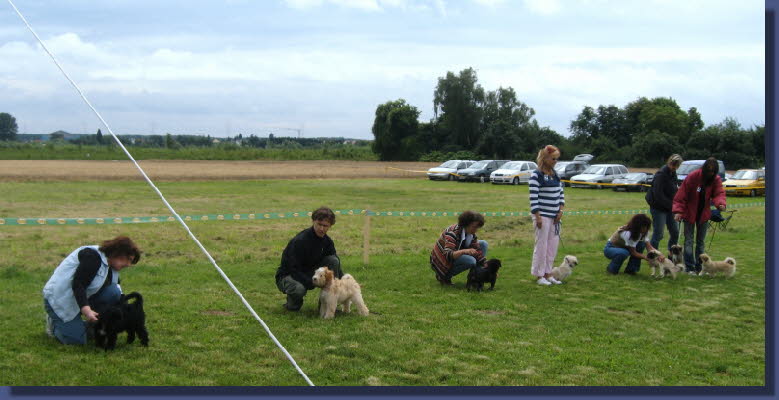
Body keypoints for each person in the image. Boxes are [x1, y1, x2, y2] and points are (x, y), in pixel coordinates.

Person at [42, 236, 141, 345]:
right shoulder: (92, 257)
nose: (128, 265)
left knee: (114, 293)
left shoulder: (111, 265)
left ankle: (89, 326)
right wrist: (87, 310)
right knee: (76, 341)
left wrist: (128, 312)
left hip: (80, 298)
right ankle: (55, 324)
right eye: (129, 260)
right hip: (60, 300)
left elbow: (117, 290)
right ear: (118, 253)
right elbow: (78, 284)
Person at [275, 206, 342, 311]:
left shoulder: (328, 242)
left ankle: (328, 305)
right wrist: (311, 282)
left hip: (311, 273)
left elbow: (335, 264)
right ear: (313, 221)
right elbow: (293, 269)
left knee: (333, 260)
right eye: (319, 224)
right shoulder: (300, 241)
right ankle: (292, 304)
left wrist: (342, 282)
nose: (322, 229)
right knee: (299, 290)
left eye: (325, 226)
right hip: (288, 274)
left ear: (330, 226)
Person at [672, 157, 726, 274]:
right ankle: (690, 267)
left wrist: (720, 203)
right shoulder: (693, 177)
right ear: (704, 169)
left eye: (713, 171)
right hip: (689, 214)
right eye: (709, 171)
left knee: (700, 242)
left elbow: (719, 193)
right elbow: (681, 195)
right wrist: (678, 211)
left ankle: (700, 266)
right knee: (689, 241)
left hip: (704, 215)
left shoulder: (716, 180)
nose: (711, 173)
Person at [529, 145, 565, 285]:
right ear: (545, 158)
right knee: (542, 246)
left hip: (555, 217)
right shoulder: (536, 175)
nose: (555, 161)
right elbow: (533, 198)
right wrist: (537, 216)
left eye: (557, 159)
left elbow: (561, 194)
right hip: (542, 215)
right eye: (553, 158)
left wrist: (560, 210)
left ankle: (548, 273)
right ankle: (539, 275)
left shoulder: (556, 175)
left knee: (552, 246)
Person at [430, 210, 488, 285]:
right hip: (442, 259)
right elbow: (448, 254)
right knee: (471, 261)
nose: (476, 230)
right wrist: (465, 251)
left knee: (483, 244)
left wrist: (487, 266)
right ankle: (444, 277)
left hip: (456, 251)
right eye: (474, 227)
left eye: (477, 227)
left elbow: (477, 250)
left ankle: (476, 278)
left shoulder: (471, 234)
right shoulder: (452, 232)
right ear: (466, 224)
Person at [645, 154, 683, 252]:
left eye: (676, 166)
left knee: (675, 232)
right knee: (658, 234)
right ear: (669, 163)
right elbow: (658, 195)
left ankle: (672, 254)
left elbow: (675, 189)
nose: (674, 167)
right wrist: (671, 205)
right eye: (673, 165)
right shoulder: (661, 175)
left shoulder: (673, 173)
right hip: (658, 208)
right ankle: (653, 255)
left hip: (670, 208)